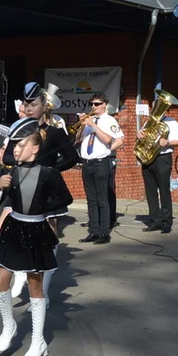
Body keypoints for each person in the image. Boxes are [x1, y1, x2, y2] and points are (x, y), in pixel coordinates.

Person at [0, 119, 74, 356]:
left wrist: (41, 207)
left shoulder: (49, 172)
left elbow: (65, 199)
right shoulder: (11, 171)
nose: (15, 149)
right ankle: (9, 326)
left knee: (35, 286)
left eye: (20, 145)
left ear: (35, 148)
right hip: (13, 227)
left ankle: (38, 341)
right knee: (0, 279)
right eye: (14, 146)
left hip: (36, 229)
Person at [3, 82, 79, 299]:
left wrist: (50, 171)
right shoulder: (19, 131)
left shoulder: (53, 132)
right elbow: (8, 156)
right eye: (26, 104)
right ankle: (19, 272)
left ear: (44, 105)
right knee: (14, 231)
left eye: (33, 104)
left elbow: (72, 157)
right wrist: (22, 159)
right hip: (23, 188)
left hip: (47, 191)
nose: (28, 108)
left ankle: (43, 289)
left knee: (48, 238)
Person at [76, 93, 123, 245]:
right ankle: (93, 231)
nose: (93, 107)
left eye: (96, 104)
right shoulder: (89, 122)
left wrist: (93, 126)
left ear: (104, 104)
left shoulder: (109, 120)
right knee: (91, 200)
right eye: (92, 104)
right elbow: (78, 140)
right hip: (87, 162)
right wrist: (82, 125)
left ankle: (104, 232)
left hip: (101, 163)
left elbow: (108, 140)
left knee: (102, 199)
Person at [141, 97, 178, 234]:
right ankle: (155, 220)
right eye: (155, 107)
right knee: (150, 192)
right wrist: (139, 135)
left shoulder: (171, 122)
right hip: (148, 158)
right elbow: (142, 139)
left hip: (162, 158)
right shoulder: (149, 122)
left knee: (164, 191)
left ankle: (166, 222)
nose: (156, 109)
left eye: (159, 106)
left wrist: (168, 142)